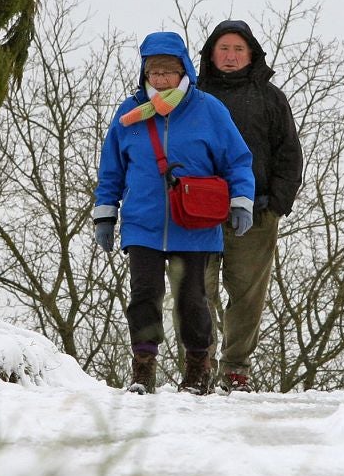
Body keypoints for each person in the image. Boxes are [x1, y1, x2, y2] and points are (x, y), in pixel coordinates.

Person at [94, 31, 256, 394]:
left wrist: (241, 201)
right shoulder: (130, 113)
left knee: (192, 299)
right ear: (144, 73)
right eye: (154, 72)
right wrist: (105, 214)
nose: (161, 79)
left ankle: (198, 367)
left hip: (195, 224)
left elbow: (238, 161)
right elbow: (111, 170)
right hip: (142, 223)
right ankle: (143, 367)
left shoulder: (209, 110)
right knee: (144, 296)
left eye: (168, 71)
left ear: (184, 70)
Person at [195, 20, 303, 392]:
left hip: (256, 213)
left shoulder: (271, 98)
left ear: (251, 54)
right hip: (194, 213)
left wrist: (277, 204)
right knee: (196, 289)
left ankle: (236, 368)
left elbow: (289, 153)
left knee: (247, 294)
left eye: (238, 50)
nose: (230, 56)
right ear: (211, 53)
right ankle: (199, 364)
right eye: (223, 49)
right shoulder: (191, 94)